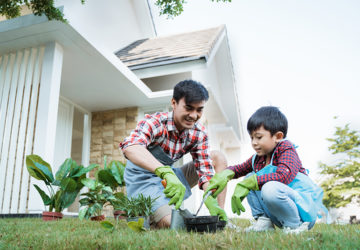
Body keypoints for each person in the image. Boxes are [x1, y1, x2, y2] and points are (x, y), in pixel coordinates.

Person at [120, 80, 228, 228]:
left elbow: (204, 170)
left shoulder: (199, 132)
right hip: (143, 182)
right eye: (188, 108)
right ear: (174, 103)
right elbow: (130, 147)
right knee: (172, 224)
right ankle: (156, 214)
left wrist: (210, 198)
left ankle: (220, 218)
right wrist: (164, 172)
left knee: (217, 157)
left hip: (171, 178)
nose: (194, 115)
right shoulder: (156, 122)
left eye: (199, 110)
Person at [205, 106, 328, 233]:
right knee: (249, 177)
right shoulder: (258, 158)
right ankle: (264, 222)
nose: (254, 142)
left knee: (264, 185)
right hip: (278, 212)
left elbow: (283, 176)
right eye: (252, 137)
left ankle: (294, 226)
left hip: (302, 211)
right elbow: (239, 169)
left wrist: (250, 183)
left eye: (258, 137)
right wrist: (225, 175)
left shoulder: (286, 149)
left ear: (278, 136)